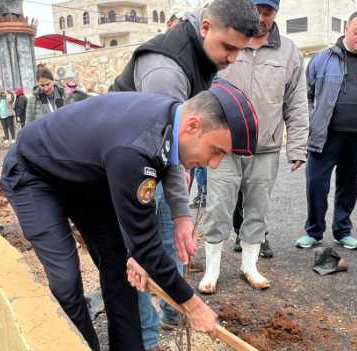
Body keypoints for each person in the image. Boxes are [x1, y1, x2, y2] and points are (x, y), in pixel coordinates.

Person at [0, 79, 259, 351]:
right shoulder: (135, 149)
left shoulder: (171, 120)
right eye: (216, 151)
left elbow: (140, 234)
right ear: (193, 126)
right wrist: (193, 305)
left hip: (84, 176)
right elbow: (147, 246)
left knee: (118, 262)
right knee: (66, 279)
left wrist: (150, 241)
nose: (215, 163)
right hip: (34, 174)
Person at [110, 0, 259, 347]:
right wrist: (180, 211)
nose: (233, 58)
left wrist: (181, 217)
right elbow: (164, 150)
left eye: (240, 50)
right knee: (141, 260)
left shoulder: (203, 57)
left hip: (155, 165)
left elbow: (171, 151)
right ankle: (146, 339)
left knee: (171, 244)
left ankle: (173, 314)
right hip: (131, 171)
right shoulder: (166, 70)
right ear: (205, 27)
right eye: (229, 47)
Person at [198, 0, 309, 293]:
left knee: (257, 209)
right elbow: (202, 90)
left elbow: (296, 102)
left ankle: (250, 266)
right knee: (218, 207)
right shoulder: (230, 41)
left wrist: (298, 147)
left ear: (276, 13)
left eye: (267, 12)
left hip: (266, 148)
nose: (261, 18)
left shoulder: (289, 53)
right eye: (257, 11)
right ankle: (212, 270)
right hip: (224, 146)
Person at [296, 10, 357, 250]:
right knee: (316, 184)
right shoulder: (322, 59)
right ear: (346, 30)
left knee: (348, 185)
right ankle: (314, 231)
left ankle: (343, 230)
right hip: (325, 135)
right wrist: (313, 120)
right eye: (356, 31)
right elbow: (305, 95)